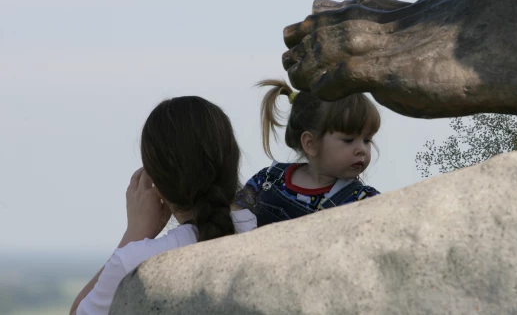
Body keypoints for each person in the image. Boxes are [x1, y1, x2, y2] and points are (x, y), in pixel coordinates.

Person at [70, 96, 256, 315]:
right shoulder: (266, 225)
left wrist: (134, 234)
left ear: (156, 180)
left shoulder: (134, 262)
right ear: (232, 159)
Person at [235, 79, 381, 227]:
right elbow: (236, 216)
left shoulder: (364, 200)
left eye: (367, 140)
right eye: (349, 140)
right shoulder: (268, 179)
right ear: (310, 144)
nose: (361, 149)